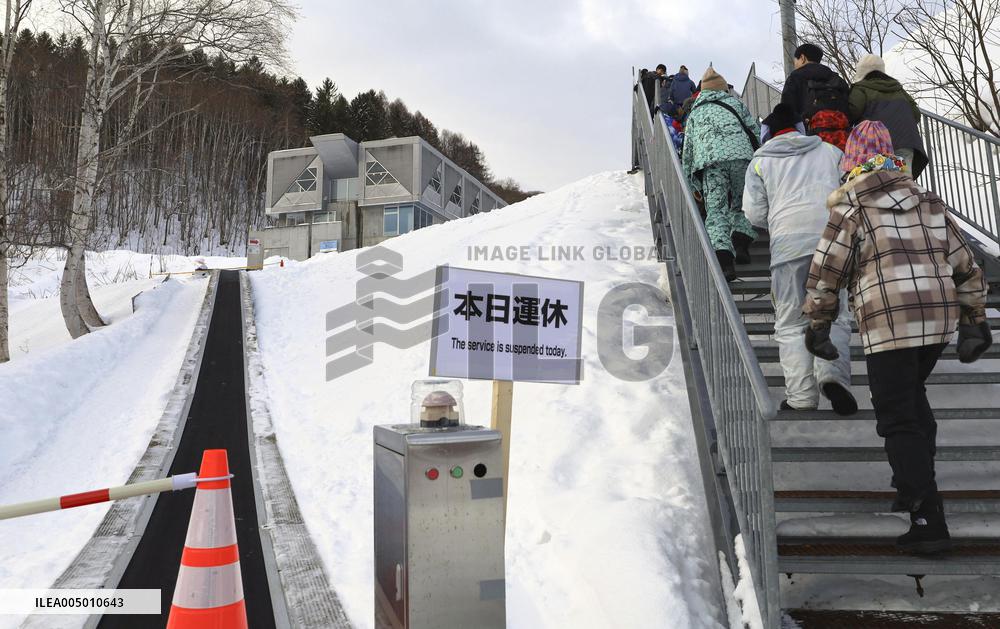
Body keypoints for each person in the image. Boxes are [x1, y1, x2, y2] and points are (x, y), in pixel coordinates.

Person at [802, 120, 992, 554]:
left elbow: (826, 274)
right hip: (936, 320)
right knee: (913, 400)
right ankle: (912, 488)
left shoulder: (852, 209)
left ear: (851, 161)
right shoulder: (928, 202)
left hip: (890, 321)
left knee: (897, 417)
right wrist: (974, 317)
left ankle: (927, 516)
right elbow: (966, 264)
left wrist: (817, 326)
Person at [742, 104, 857, 414]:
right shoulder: (831, 152)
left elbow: (753, 213)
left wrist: (778, 223)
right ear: (799, 125)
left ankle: (802, 398)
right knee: (834, 314)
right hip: (832, 243)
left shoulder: (759, 162)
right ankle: (833, 377)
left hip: (787, 249)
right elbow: (847, 192)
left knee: (791, 323)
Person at [682, 67, 759, 280]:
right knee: (742, 204)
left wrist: (692, 182)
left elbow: (687, 149)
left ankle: (725, 262)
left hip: (711, 162)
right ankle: (742, 243)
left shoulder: (695, 111)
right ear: (723, 89)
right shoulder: (735, 103)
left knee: (716, 210)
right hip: (741, 157)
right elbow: (754, 130)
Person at [849, 54, 928, 178]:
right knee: (903, 184)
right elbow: (916, 115)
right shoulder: (898, 89)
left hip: (876, 146)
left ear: (861, 71)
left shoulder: (860, 89)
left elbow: (852, 113)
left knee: (878, 187)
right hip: (906, 143)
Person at [781, 43, 851, 150]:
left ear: (802, 58)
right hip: (841, 142)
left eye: (796, 61)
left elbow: (786, 112)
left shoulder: (795, 78)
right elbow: (849, 111)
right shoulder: (837, 79)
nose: (795, 64)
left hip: (808, 143)